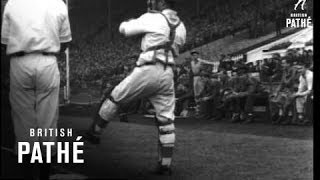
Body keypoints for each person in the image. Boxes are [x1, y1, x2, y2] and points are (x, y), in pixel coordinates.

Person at [85, 0, 186, 175]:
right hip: (168, 73)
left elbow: (124, 29)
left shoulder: (153, 17)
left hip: (148, 69)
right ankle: (165, 165)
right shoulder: (182, 26)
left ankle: (95, 132)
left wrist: (133, 21)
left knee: (114, 97)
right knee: (166, 120)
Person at [1, 0, 72, 179]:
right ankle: (44, 176)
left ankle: (27, 174)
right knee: (47, 124)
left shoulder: (12, 3)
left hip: (20, 62)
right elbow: (65, 42)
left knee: (24, 125)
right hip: (47, 62)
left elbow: (3, 43)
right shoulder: (58, 4)